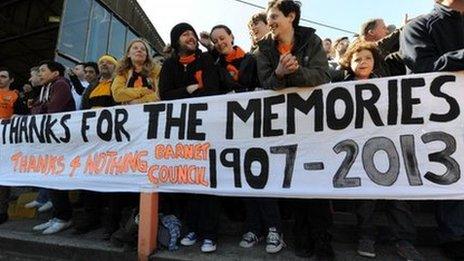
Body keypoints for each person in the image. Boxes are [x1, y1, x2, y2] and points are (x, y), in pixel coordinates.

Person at [253, 0, 333, 259]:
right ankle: (302, 239)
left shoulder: (312, 41)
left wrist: (293, 74)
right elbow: (265, 82)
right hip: (283, 128)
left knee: (317, 182)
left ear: (291, 16)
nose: (271, 22)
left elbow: (322, 75)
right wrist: (277, 73)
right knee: (296, 182)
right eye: (269, 17)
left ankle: (323, 242)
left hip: (312, 125)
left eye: (274, 16)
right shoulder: (263, 49)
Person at [339, 41, 424, 261]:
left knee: (398, 196)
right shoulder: (338, 88)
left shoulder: (388, 85)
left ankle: (404, 241)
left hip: (390, 148)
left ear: (375, 61)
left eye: (367, 58)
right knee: (366, 199)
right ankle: (365, 237)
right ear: (349, 63)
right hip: (357, 152)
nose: (363, 62)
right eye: (357, 59)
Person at [400, 1, 464, 259]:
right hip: (443, 124)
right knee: (453, 171)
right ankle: (455, 234)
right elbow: (422, 68)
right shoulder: (419, 26)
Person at [159, 22, 224, 253]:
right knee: (189, 181)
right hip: (182, 134)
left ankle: (210, 234)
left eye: (192, 33)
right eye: (185, 34)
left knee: (207, 182)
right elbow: (164, 95)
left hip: (208, 129)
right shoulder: (169, 65)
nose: (191, 37)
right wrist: (187, 90)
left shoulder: (205, 60)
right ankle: (193, 228)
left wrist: (196, 91)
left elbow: (214, 90)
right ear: (177, 40)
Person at [30, 60, 75, 235]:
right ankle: (57, 216)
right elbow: (36, 110)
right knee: (49, 176)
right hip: (49, 139)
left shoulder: (61, 85)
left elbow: (52, 110)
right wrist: (40, 107)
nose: (39, 74)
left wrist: (40, 107)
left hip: (60, 141)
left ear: (55, 73)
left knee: (56, 177)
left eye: (43, 70)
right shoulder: (45, 88)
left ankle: (64, 217)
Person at [0, 67, 26, 225]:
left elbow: (24, 117)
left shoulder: (15, 96)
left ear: (11, 80)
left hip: (4, 142)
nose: (0, 79)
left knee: (2, 177)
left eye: (3, 76)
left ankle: (2, 211)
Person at [111, 38, 160, 105]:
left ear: (147, 55)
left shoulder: (156, 71)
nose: (139, 50)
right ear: (128, 54)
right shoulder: (122, 72)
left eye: (143, 49)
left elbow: (159, 94)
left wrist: (137, 102)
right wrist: (143, 91)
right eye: (135, 48)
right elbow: (117, 94)